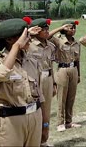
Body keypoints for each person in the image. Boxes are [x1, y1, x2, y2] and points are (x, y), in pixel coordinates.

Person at [0, 18, 44, 146]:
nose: (29, 39)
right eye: (25, 36)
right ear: (9, 40)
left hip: (34, 117)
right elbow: (2, 73)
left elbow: (39, 93)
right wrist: (16, 46)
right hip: (11, 121)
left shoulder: (30, 60)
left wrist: (45, 123)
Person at [27, 18, 57, 146]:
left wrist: (54, 83)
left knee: (46, 112)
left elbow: (51, 66)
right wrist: (28, 34)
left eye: (47, 29)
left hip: (48, 80)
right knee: (34, 112)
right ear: (35, 32)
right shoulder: (28, 46)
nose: (46, 32)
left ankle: (44, 140)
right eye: (43, 30)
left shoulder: (50, 46)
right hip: (35, 81)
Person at [48, 20, 81, 132]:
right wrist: (60, 27)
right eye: (71, 28)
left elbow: (78, 60)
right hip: (62, 69)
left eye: (74, 28)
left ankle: (69, 121)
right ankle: (60, 122)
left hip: (74, 69)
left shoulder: (76, 43)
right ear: (65, 29)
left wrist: (79, 74)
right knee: (62, 97)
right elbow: (48, 36)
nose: (73, 30)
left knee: (71, 97)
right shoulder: (59, 40)